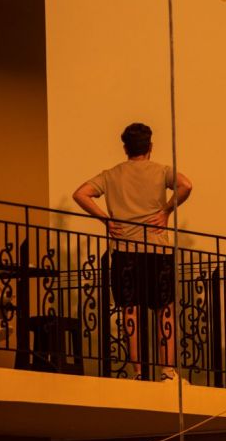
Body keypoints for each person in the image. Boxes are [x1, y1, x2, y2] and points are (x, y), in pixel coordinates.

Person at [73, 123, 192, 381]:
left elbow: (80, 194)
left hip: (125, 249)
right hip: (157, 249)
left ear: (125, 148)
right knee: (165, 309)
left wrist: (105, 220)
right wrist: (167, 211)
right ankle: (167, 370)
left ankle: (137, 371)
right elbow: (186, 185)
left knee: (131, 310)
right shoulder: (161, 171)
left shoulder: (112, 174)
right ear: (150, 147)